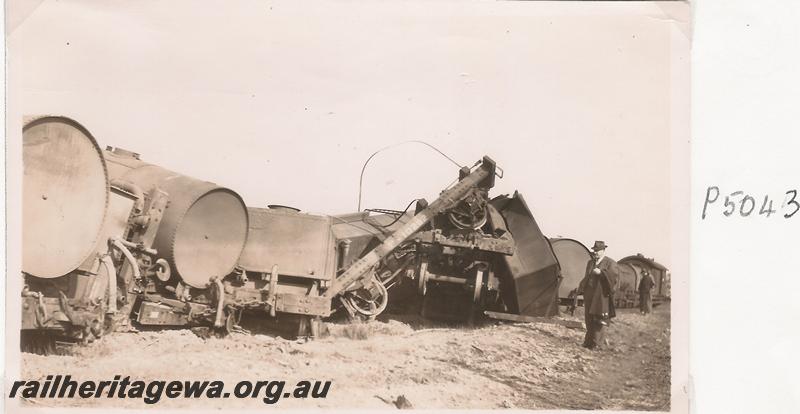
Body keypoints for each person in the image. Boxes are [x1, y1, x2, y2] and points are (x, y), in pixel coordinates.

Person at [578, 241, 619, 350]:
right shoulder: (590, 263)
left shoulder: (610, 263)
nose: (595, 253)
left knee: (599, 319)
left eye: (597, 251)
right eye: (594, 250)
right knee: (588, 318)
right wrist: (581, 289)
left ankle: (597, 344)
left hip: (601, 296)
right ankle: (588, 342)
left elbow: (613, 279)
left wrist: (601, 273)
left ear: (603, 251)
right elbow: (586, 277)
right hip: (589, 295)